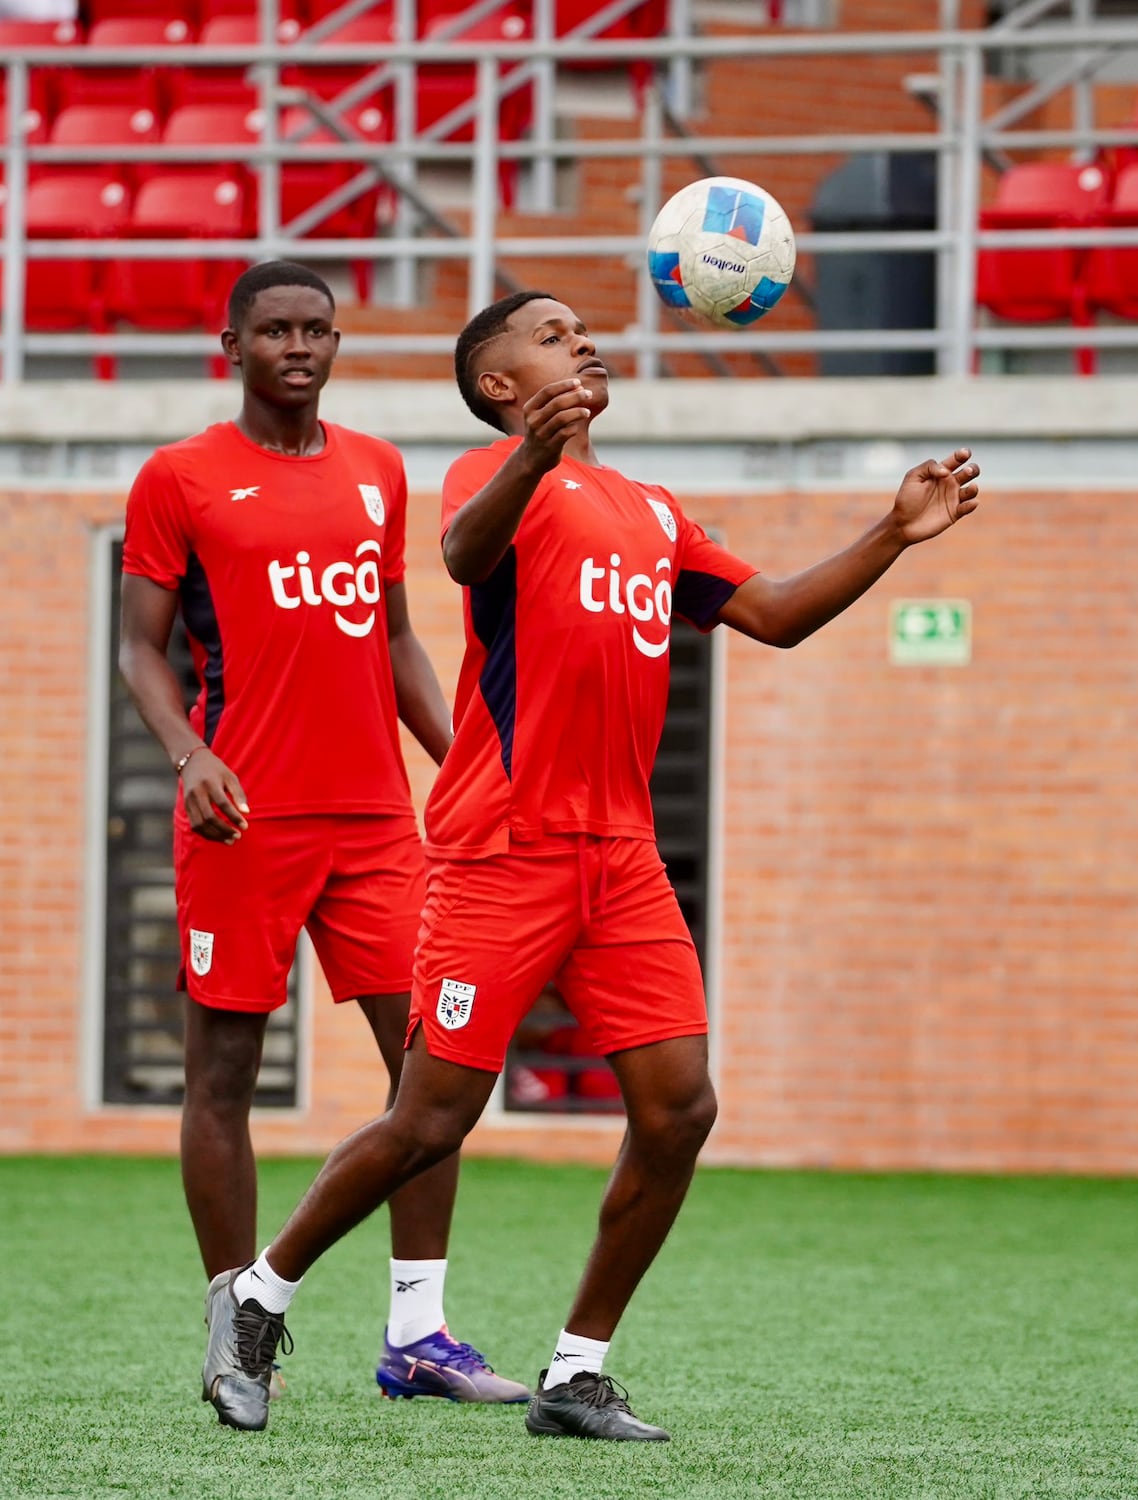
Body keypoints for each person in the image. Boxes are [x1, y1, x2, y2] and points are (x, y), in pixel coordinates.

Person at [199, 289, 982, 1440]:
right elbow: (466, 560)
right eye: (553, 334)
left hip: (621, 860)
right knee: (431, 1120)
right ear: (502, 385)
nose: (584, 340)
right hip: (499, 851)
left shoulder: (655, 510)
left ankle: (575, 1372)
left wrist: (890, 534)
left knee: (679, 1111)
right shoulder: (489, 481)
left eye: (581, 330)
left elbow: (770, 614)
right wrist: (535, 453)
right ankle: (258, 1300)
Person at [119, 262, 530, 1431]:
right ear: (231, 344)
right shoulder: (180, 478)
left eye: (316, 330)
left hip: (375, 824)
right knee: (224, 1075)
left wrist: (466, 757)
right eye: (273, 331)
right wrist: (188, 755)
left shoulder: (376, 469)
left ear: (336, 344)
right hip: (241, 818)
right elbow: (141, 648)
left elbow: (394, 633)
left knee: (433, 1072)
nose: (297, 347)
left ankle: (418, 1335)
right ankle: (234, 1322)